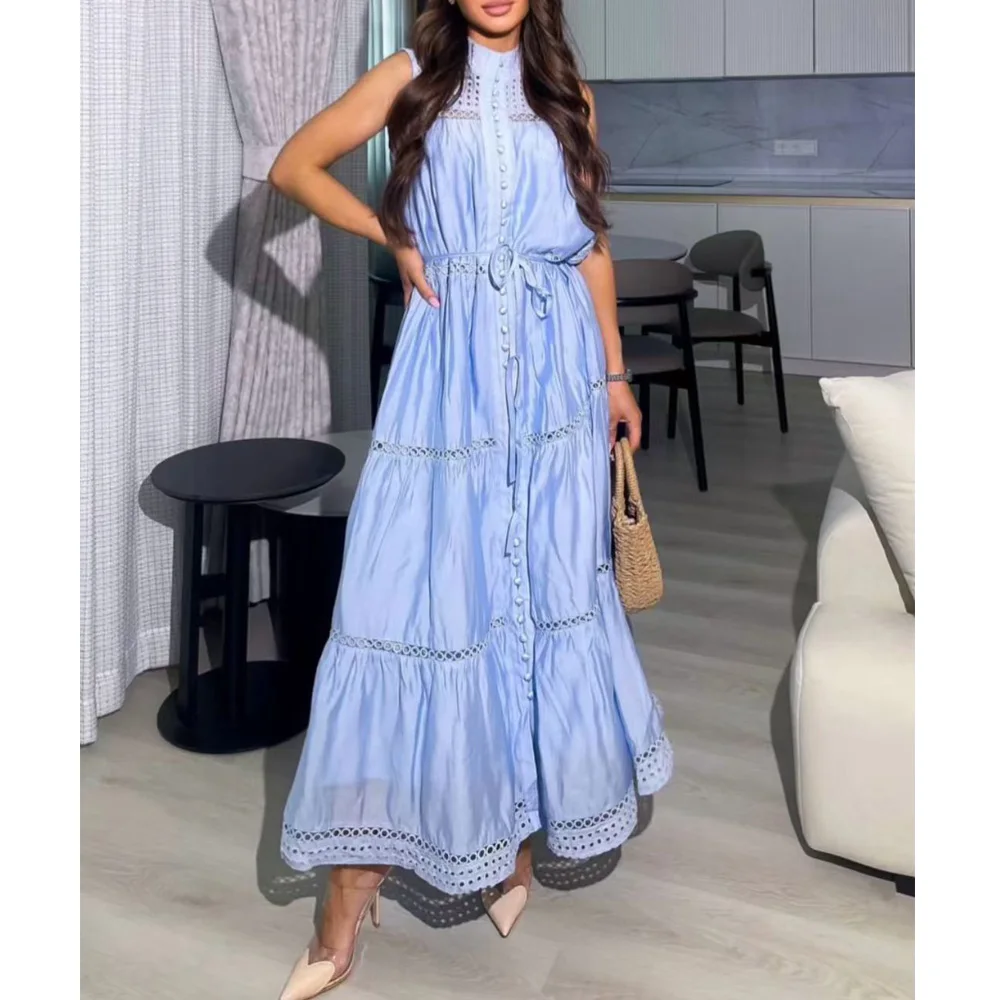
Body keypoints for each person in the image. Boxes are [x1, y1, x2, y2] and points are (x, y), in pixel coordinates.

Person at [268, 1, 672, 996]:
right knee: (409, 604)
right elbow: (294, 166)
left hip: (555, 384)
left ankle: (510, 849)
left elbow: (589, 246)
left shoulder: (565, 92)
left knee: (532, 602)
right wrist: (391, 233)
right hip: (447, 381)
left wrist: (614, 376)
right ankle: (346, 896)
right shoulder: (410, 74)